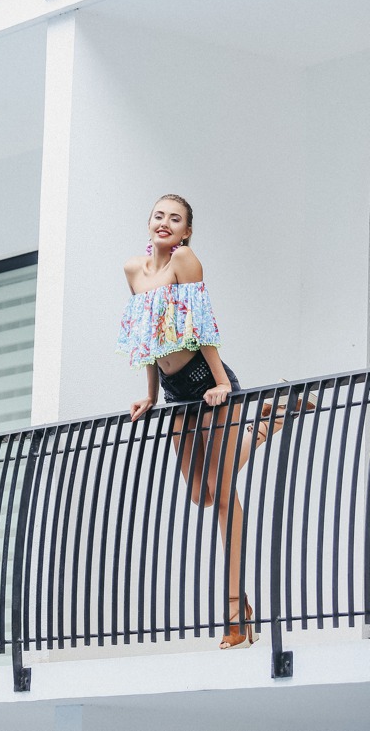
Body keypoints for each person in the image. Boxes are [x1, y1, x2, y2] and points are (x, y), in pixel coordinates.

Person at [116, 194, 267, 650]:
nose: (166, 223)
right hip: (178, 397)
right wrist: (149, 395)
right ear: (149, 224)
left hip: (210, 387)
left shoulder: (185, 260)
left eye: (175, 219)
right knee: (201, 494)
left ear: (186, 233)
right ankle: (268, 423)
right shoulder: (132, 271)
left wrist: (222, 385)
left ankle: (237, 613)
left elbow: (202, 326)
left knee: (222, 497)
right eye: (159, 216)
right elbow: (146, 340)